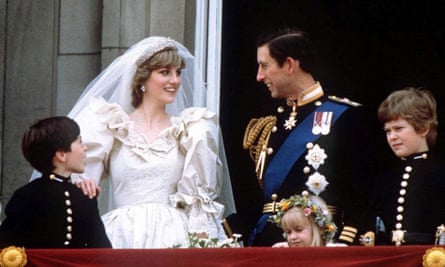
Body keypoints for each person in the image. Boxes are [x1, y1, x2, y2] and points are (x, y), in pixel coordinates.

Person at [69, 36, 236, 248]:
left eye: (178, 72)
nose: (175, 80)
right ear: (142, 80)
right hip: (122, 236)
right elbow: (81, 184)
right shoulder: (111, 126)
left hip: (175, 236)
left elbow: (198, 203)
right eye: (165, 72)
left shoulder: (189, 130)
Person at [242, 28, 375, 246]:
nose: (259, 76)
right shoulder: (270, 124)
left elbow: (362, 192)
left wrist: (344, 240)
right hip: (271, 244)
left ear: (290, 65)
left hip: (321, 242)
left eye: (264, 66)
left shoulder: (343, 116)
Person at [0, 116, 111, 248]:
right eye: (79, 142)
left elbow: (101, 250)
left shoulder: (83, 196)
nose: (85, 148)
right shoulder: (28, 196)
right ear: (61, 155)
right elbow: (6, 246)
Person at [363, 87, 445, 246]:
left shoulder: (439, 172)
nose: (392, 137)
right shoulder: (385, 178)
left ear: (423, 128)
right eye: (388, 131)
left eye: (399, 128)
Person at [269, 191, 336, 247]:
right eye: (288, 232)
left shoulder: (335, 255)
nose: (293, 237)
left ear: (320, 228)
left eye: (299, 230)